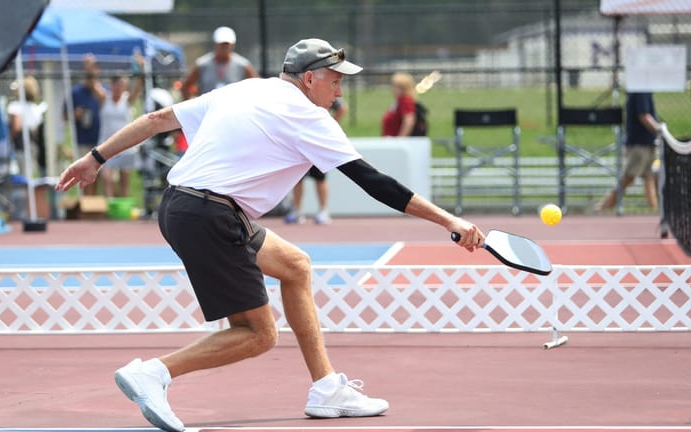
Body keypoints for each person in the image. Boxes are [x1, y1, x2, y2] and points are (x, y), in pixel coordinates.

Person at [56, 38, 485, 432]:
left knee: (295, 266)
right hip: (212, 215)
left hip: (179, 204)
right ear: (310, 78)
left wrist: (96, 157)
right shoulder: (310, 117)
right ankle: (153, 373)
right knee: (259, 334)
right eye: (335, 82)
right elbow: (376, 183)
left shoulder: (245, 88)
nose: (339, 93)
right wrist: (449, 221)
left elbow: (156, 120)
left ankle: (327, 389)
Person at [284, 98, 348, 225]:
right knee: (297, 177)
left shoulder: (320, 93)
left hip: (318, 141)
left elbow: (342, 107)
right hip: (300, 140)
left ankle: (323, 210)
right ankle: (297, 210)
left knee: (320, 176)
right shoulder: (298, 95)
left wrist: (332, 124)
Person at [595, 92, 661, 212]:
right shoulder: (640, 92)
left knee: (649, 176)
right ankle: (603, 207)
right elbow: (643, 115)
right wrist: (659, 130)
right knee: (629, 177)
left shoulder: (643, 91)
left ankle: (654, 208)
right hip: (640, 144)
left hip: (648, 142)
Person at [99, 55, 145, 198]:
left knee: (124, 183)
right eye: (118, 84)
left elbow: (138, 86)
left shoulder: (127, 100)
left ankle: (122, 212)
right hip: (106, 144)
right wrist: (91, 68)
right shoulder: (104, 99)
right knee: (106, 178)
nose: (120, 87)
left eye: (122, 84)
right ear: (112, 85)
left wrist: (142, 69)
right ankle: (110, 207)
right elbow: (92, 84)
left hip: (126, 146)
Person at [180, 26, 258, 99]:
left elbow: (257, 87)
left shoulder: (243, 65)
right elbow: (186, 86)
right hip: (208, 111)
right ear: (215, 44)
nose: (224, 47)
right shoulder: (202, 64)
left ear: (233, 45)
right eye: (221, 44)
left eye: (226, 44)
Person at [66, 54, 106, 195]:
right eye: (87, 72)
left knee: (100, 176)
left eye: (93, 71)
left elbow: (107, 103)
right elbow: (64, 115)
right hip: (82, 141)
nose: (90, 75)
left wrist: (95, 86)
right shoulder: (75, 92)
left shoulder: (101, 91)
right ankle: (85, 206)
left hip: (101, 141)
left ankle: (95, 206)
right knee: (85, 175)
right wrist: (75, 115)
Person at [6, 76, 47, 176]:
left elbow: (16, 127)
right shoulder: (35, 108)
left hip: (19, 147)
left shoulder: (14, 106)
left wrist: (8, 139)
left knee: (21, 178)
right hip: (33, 146)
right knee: (29, 176)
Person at [381, 72, 418, 137]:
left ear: (403, 88)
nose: (392, 89)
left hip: (397, 142)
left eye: (395, 86)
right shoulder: (399, 101)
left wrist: (401, 139)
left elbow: (409, 120)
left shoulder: (406, 101)